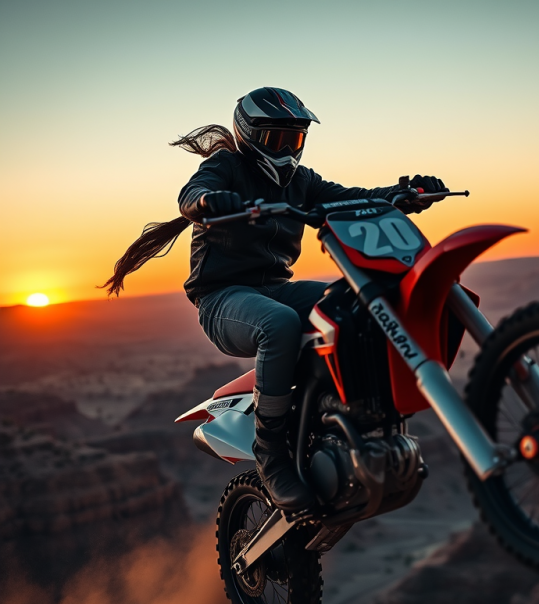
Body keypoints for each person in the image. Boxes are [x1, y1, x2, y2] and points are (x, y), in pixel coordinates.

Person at [104, 87, 447, 516]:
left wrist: (404, 193)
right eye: (276, 139)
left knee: (356, 304)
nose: (287, 150)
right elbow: (192, 193)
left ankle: (347, 416)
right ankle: (271, 455)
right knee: (279, 324)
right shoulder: (225, 166)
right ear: (249, 135)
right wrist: (210, 201)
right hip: (223, 299)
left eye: (295, 139)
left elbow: (352, 196)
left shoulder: (302, 182)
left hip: (277, 289)